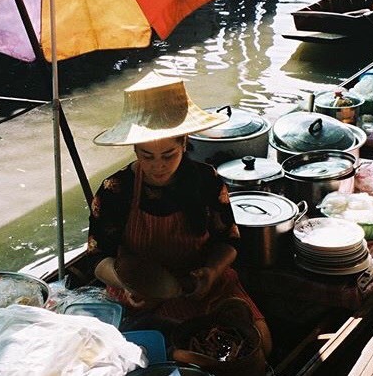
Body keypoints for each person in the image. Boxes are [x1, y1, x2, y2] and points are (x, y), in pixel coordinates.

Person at [87, 72, 272, 357]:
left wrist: (211, 272)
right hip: (139, 289)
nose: (158, 166)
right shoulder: (116, 189)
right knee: (174, 355)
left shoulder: (207, 179)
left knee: (259, 343)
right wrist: (125, 284)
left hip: (202, 284)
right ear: (134, 148)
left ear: (184, 143)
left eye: (169, 154)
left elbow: (229, 241)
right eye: (146, 155)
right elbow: (98, 256)